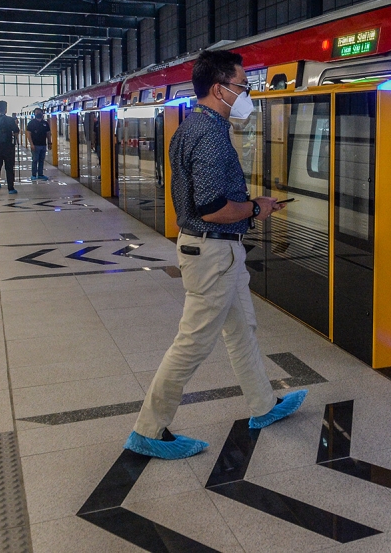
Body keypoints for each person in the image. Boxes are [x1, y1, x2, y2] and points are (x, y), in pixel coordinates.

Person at [124, 49, 306, 460]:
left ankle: (262, 406)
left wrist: (251, 206)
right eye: (243, 86)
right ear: (219, 88)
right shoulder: (209, 134)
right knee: (192, 343)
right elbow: (211, 206)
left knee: (243, 330)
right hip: (212, 252)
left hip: (216, 251)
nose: (247, 94)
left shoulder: (192, 127)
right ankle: (148, 430)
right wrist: (256, 207)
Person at [27, 109, 52, 181]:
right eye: (37, 112)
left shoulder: (45, 123)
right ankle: (33, 175)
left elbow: (48, 133)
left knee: (41, 160)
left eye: (40, 112)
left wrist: (49, 142)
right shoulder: (31, 123)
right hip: (35, 145)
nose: (38, 113)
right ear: (34, 113)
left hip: (43, 145)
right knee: (35, 160)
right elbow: (28, 134)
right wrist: (31, 144)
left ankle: (40, 174)